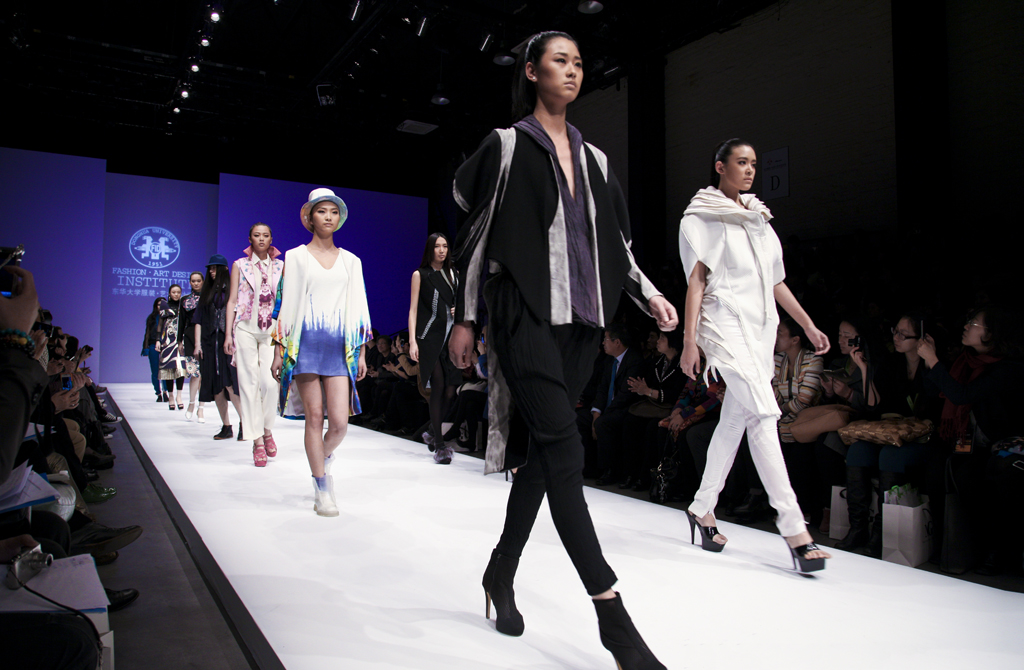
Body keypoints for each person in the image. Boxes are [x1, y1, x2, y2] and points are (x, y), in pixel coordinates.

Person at [448, 31, 675, 670]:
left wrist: (650, 294)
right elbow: (476, 233)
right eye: (559, 61)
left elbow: (615, 245)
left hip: (582, 322)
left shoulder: (595, 158)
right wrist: (465, 316)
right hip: (522, 312)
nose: (572, 71)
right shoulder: (507, 144)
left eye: (578, 63)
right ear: (531, 71)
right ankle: (613, 619)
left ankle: (499, 572)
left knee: (547, 459)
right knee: (566, 449)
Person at [678, 138, 832, 572]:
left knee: (736, 419)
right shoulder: (700, 217)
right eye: (741, 162)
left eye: (753, 164)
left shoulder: (759, 218)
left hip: (761, 327)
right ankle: (795, 529)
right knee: (764, 414)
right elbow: (696, 282)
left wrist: (806, 324)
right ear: (720, 167)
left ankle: (702, 507)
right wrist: (690, 340)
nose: (749, 170)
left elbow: (775, 282)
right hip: (724, 324)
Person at [271, 188, 371, 517]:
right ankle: (322, 488)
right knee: (314, 417)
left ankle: (322, 459)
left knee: (339, 423)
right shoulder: (295, 257)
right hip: (305, 345)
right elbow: (284, 304)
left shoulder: (351, 261)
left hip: (340, 347)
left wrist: (362, 352)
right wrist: (279, 350)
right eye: (321, 211)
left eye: (333, 211)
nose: (328, 216)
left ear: (339, 218)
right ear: (309, 217)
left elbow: (360, 307)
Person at [225, 224, 284, 467]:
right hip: (245, 327)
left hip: (270, 329)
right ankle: (258, 440)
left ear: (271, 238)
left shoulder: (281, 266)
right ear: (250, 238)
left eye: (265, 235)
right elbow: (232, 301)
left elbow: (284, 302)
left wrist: (283, 338)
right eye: (257, 235)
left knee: (270, 384)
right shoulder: (240, 265)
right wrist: (228, 335)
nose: (261, 239)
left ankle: (267, 429)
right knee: (248, 384)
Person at [408, 233, 461, 464]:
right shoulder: (420, 275)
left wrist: (457, 309)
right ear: (430, 249)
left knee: (451, 391)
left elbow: (459, 302)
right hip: (429, 336)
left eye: (445, 246)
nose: (441, 250)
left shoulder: (454, 274)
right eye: (437, 246)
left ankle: (431, 431)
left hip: (450, 336)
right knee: (438, 386)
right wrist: (412, 341)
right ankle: (440, 446)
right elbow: (413, 310)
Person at [194, 255, 243, 439]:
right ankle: (226, 426)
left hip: (228, 343)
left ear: (224, 269)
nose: (212, 272)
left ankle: (245, 423)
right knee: (216, 387)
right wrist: (197, 344)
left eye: (215, 268)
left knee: (230, 384)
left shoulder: (233, 291)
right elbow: (198, 320)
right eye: (210, 269)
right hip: (208, 344)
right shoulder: (206, 293)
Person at [155, 284, 186, 409]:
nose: (176, 294)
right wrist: (158, 340)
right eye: (174, 292)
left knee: (180, 368)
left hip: (180, 339)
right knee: (168, 368)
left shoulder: (184, 305)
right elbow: (160, 323)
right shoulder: (165, 305)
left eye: (178, 292)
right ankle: (171, 396)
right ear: (169, 293)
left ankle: (179, 396)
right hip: (167, 340)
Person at [179, 271, 204, 420]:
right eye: (193, 281)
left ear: (203, 282)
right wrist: (179, 341)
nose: (196, 283)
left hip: (206, 337)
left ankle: (201, 408)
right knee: (194, 374)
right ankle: (191, 404)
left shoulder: (208, 299)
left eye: (198, 281)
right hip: (189, 337)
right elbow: (181, 322)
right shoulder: (185, 300)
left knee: (204, 375)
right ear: (190, 282)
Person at [141, 297, 163, 401]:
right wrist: (145, 348)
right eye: (158, 305)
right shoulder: (151, 318)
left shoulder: (169, 317)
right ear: (155, 306)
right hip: (153, 345)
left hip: (166, 345)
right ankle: (158, 393)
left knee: (166, 371)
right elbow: (147, 334)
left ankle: (166, 392)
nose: (160, 307)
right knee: (155, 371)